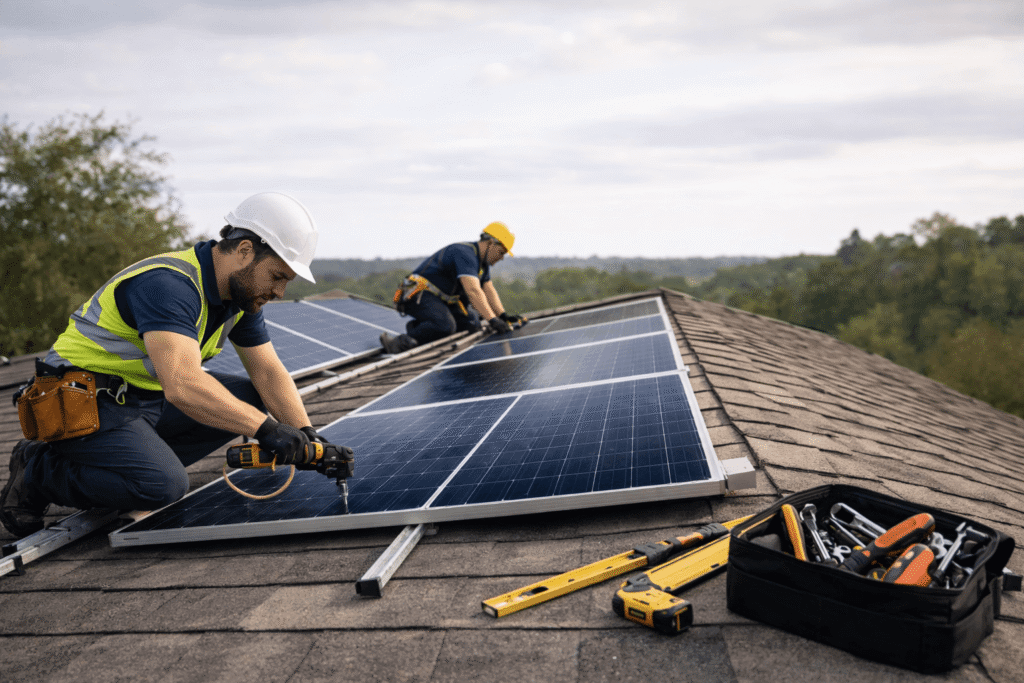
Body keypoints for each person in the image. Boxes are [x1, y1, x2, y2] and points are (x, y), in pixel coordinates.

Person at [1, 191, 333, 538]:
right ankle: (37, 469)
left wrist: (308, 437)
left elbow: (267, 372)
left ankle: (133, 467)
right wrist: (267, 430)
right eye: (277, 276)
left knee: (249, 399)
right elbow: (183, 385)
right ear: (245, 251)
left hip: (140, 400)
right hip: (84, 401)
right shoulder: (168, 285)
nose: (279, 292)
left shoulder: (239, 297)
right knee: (162, 487)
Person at [380, 222, 527, 354]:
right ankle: (398, 343)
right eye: (501, 252)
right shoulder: (465, 254)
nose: (501, 258)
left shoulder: (482, 264)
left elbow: (488, 290)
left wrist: (502, 315)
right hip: (418, 295)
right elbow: (474, 291)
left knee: (472, 324)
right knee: (445, 326)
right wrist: (492, 320)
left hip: (441, 300)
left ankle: (422, 326)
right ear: (490, 243)